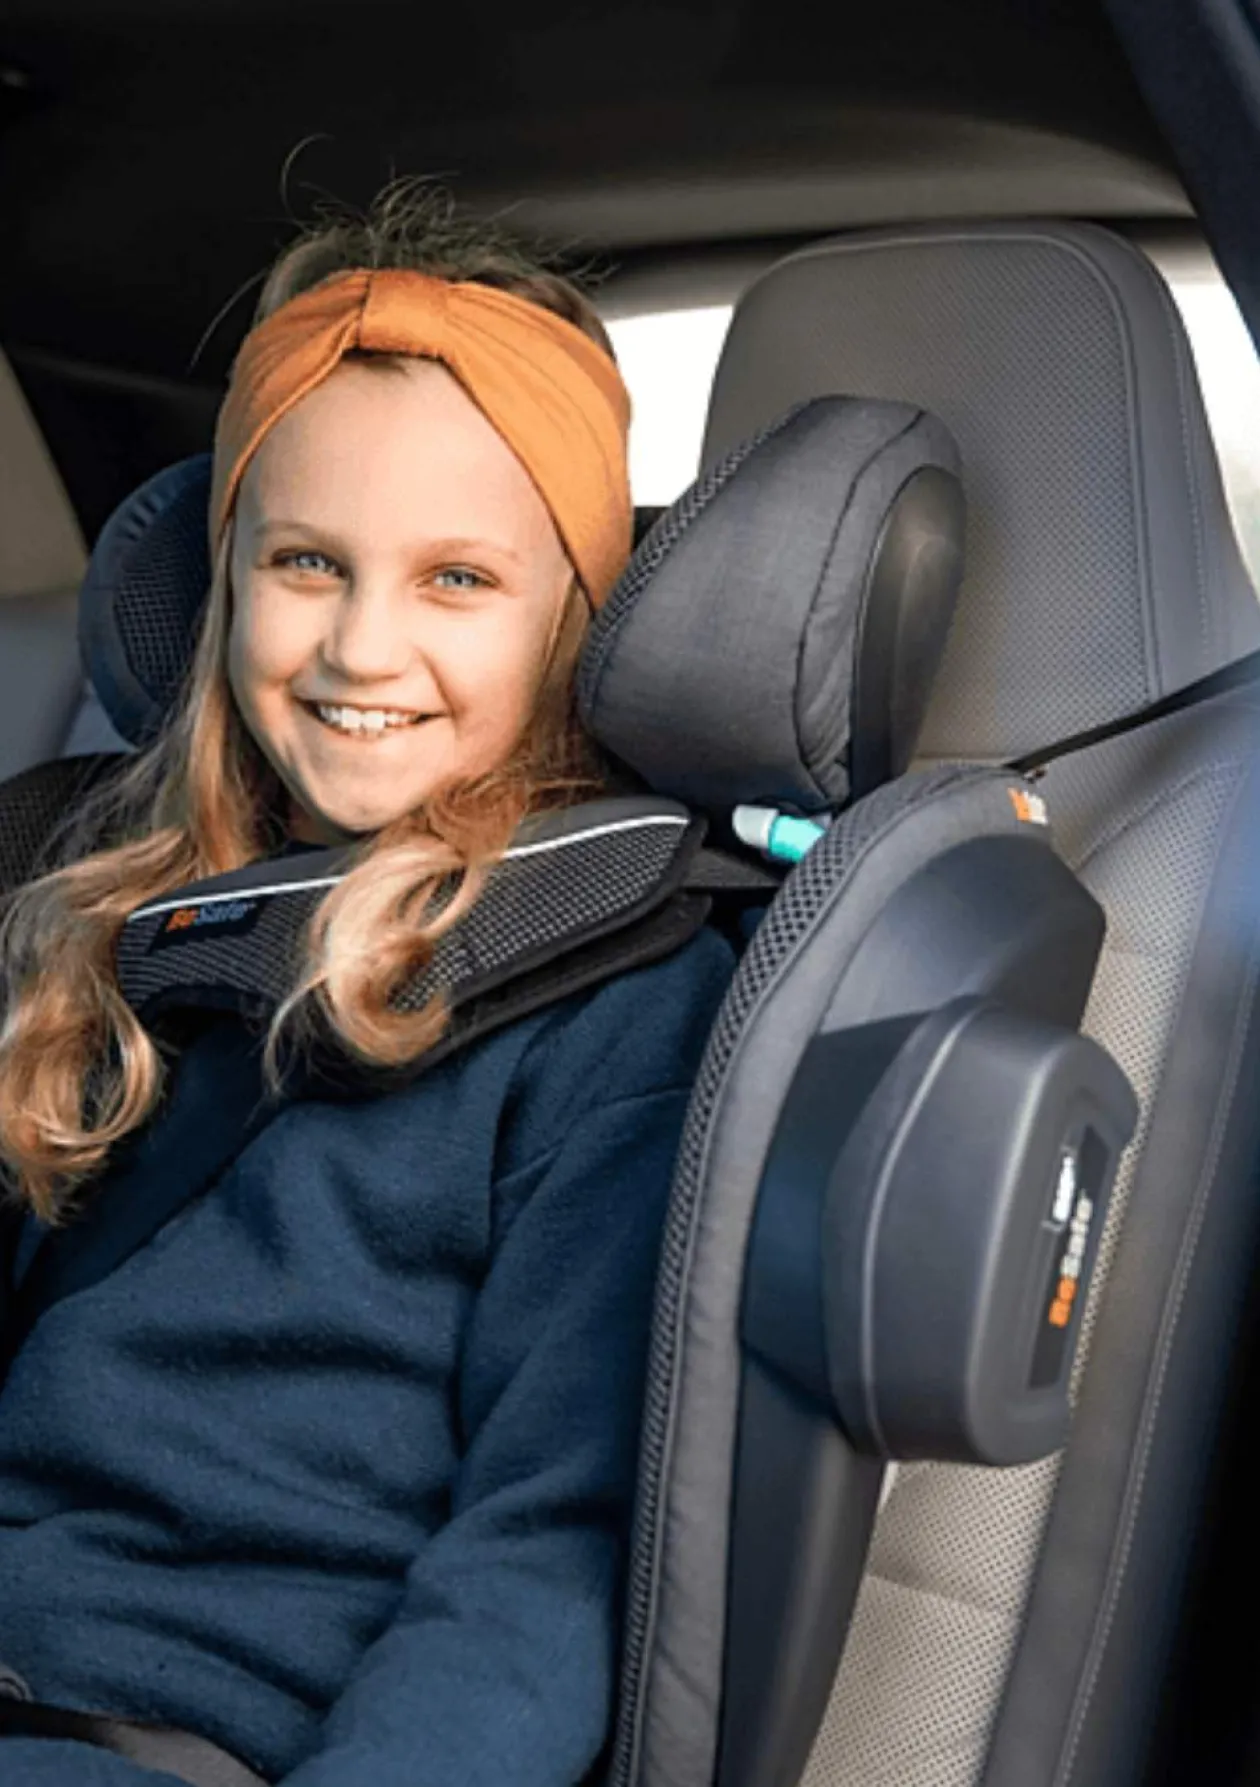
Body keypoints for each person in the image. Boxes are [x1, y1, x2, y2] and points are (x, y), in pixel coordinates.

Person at [0, 186, 734, 1786]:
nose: (361, 648)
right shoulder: (92, 910)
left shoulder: (618, 1002)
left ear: (574, 621)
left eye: (457, 579)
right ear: (225, 579)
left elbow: (551, 1552)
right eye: (308, 563)